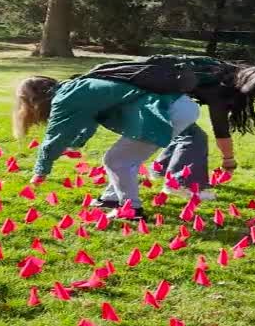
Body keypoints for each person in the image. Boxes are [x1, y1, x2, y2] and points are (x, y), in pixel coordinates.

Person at [13, 75, 200, 219]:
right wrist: (74, 144)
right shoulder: (76, 88)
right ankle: (111, 199)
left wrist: (40, 171)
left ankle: (131, 209)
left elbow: (54, 138)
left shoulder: (66, 98)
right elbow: (89, 122)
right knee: (124, 159)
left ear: (33, 99)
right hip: (177, 106)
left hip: (165, 110)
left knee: (116, 160)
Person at [145, 55, 255, 200]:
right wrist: (228, 160)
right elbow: (220, 129)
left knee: (186, 131)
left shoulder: (229, 74)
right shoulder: (220, 89)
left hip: (153, 87)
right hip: (149, 93)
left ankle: (160, 170)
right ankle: (181, 184)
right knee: (194, 137)